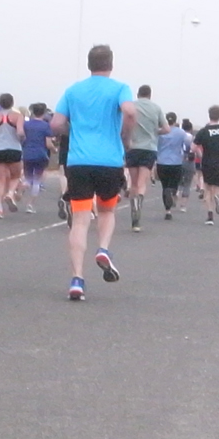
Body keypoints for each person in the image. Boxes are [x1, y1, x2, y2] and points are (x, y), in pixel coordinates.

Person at [50, 44, 136, 300]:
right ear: (110, 64)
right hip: (109, 161)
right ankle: (104, 249)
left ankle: (77, 279)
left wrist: (72, 132)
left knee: (80, 220)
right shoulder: (120, 88)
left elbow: (55, 123)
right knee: (107, 211)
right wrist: (125, 136)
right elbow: (130, 111)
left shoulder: (73, 90)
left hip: (79, 161)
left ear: (89, 64)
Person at [124, 85, 169, 231]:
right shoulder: (156, 108)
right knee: (143, 182)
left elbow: (123, 125)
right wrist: (155, 131)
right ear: (150, 95)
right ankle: (139, 204)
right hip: (149, 147)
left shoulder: (132, 107)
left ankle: (133, 216)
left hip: (132, 146)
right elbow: (167, 129)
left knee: (134, 183)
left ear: (138, 94)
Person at [193, 105, 219, 226]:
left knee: (207, 189)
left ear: (209, 115)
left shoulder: (204, 131)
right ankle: (218, 196)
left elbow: (193, 147)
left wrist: (200, 154)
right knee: (217, 187)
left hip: (207, 162)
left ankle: (210, 216)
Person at [0, 92, 25, 218]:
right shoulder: (17, 116)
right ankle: (10, 193)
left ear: (0, 103)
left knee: (0, 180)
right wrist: (22, 137)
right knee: (15, 175)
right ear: (12, 103)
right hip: (14, 148)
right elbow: (20, 132)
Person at [155, 112, 193, 220]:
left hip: (162, 161)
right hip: (176, 162)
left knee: (164, 185)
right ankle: (172, 192)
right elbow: (187, 144)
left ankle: (168, 211)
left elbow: (155, 144)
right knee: (174, 183)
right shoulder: (181, 133)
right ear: (176, 120)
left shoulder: (160, 132)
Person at [20, 102, 54, 213]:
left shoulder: (26, 124)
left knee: (27, 178)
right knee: (37, 180)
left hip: (27, 153)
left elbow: (22, 137)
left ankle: (18, 192)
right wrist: (54, 149)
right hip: (41, 154)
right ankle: (30, 205)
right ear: (44, 113)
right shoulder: (45, 125)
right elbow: (48, 143)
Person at [178, 118, 195, 212]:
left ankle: (176, 193)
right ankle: (183, 205)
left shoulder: (179, 136)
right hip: (189, 160)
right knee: (187, 183)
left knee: (178, 181)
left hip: (179, 159)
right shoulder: (192, 138)